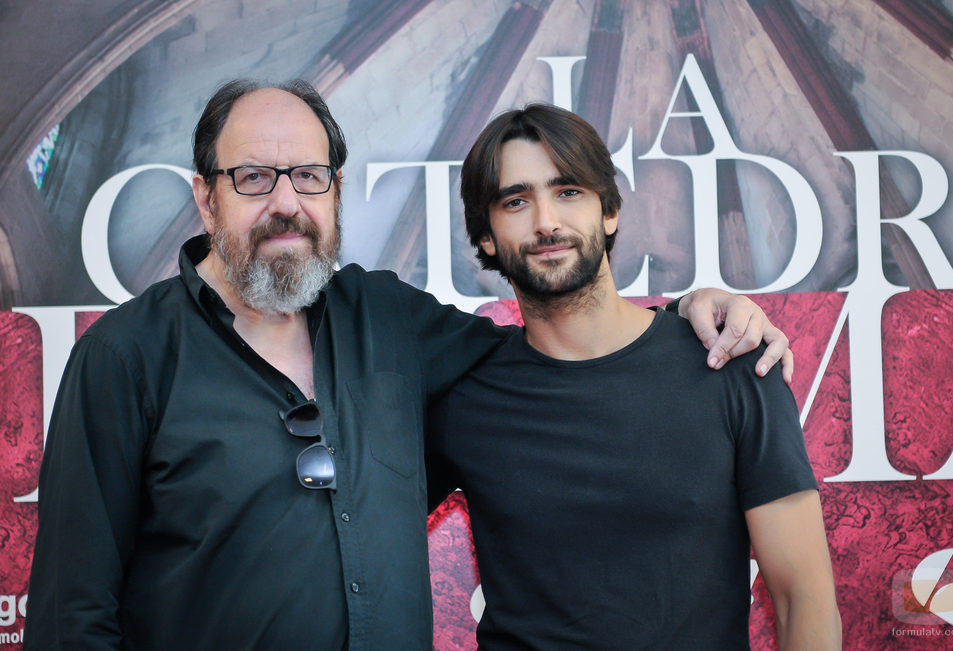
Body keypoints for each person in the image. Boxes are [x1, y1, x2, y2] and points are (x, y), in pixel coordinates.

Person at [25, 80, 793, 650]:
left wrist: (697, 307)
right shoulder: (122, 358)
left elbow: (560, 345)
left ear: (334, 192)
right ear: (206, 198)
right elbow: (71, 618)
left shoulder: (389, 322)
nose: (285, 202)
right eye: (253, 177)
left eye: (310, 176)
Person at [427, 104, 841, 649]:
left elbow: (801, 596)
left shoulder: (729, 362)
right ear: (485, 235)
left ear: (610, 212)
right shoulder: (462, 393)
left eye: (568, 191)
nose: (546, 221)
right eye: (516, 200)